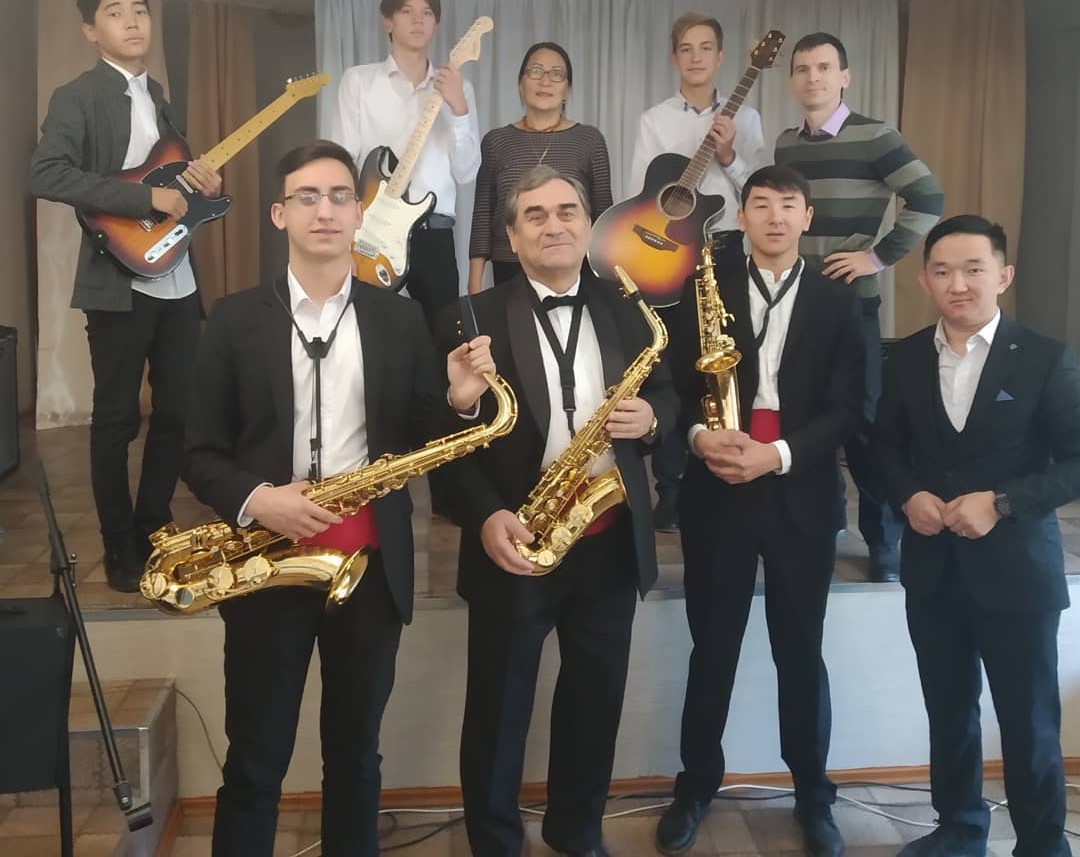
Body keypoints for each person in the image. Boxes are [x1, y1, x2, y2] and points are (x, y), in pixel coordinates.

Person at [182, 141, 494, 857]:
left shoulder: (399, 319)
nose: (324, 210)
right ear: (279, 214)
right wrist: (260, 499)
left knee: (356, 754)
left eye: (339, 196)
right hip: (266, 563)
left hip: (370, 570)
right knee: (255, 758)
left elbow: (425, 436)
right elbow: (198, 453)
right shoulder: (232, 319)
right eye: (307, 197)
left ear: (359, 213)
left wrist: (458, 398)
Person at [442, 165, 677, 857]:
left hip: (606, 537)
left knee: (594, 704)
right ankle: (495, 844)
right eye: (536, 215)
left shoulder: (628, 305)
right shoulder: (470, 315)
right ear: (512, 237)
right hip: (514, 537)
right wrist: (485, 516)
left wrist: (653, 420)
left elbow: (667, 393)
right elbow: (441, 436)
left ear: (588, 224)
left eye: (567, 211)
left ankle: (578, 834)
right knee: (498, 709)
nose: (554, 225)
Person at [656, 165, 864, 857]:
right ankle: (695, 786)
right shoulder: (701, 288)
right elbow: (671, 386)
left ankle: (813, 795)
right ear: (741, 216)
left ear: (808, 218)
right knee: (712, 647)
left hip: (800, 491)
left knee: (800, 650)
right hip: (717, 485)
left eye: (789, 205)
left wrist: (776, 456)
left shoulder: (841, 301)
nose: (776, 217)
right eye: (762, 204)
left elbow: (850, 409)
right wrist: (697, 437)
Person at [872, 215, 1079, 857]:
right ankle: (959, 829)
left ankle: (1042, 844)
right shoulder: (904, 357)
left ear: (1003, 276)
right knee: (949, 711)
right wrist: (907, 495)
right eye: (942, 271)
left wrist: (1004, 502)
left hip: (1018, 572)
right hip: (934, 568)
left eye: (973, 269)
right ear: (923, 280)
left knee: (1029, 720)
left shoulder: (1044, 356)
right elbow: (882, 449)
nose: (957, 284)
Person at [29, 0, 222, 592]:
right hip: (117, 281)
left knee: (179, 411)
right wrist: (145, 200)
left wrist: (202, 185)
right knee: (115, 419)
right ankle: (118, 544)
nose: (132, 21)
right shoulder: (77, 96)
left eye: (139, 10)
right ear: (91, 30)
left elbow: (170, 179)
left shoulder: (159, 95)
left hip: (177, 277)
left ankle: (153, 522)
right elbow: (46, 173)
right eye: (115, 13)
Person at [773, 31, 944, 582]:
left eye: (824, 67)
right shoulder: (786, 145)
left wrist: (877, 257)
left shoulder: (877, 136)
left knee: (865, 425)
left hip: (853, 306)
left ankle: (882, 540)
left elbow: (928, 197)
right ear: (792, 80)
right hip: (798, 305)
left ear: (844, 76)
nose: (813, 78)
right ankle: (814, 529)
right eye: (803, 69)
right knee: (805, 418)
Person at [629, 11, 770, 532]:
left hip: (725, 251)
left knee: (726, 358)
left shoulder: (746, 119)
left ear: (721, 56)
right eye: (686, 48)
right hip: (669, 253)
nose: (695, 57)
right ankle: (670, 488)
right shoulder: (654, 120)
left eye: (705, 47)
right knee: (670, 363)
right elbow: (641, 194)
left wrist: (730, 155)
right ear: (674, 58)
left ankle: (729, 461)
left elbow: (758, 192)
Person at [333, 0, 481, 327]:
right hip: (371, 230)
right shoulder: (358, 82)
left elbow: (466, 172)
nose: (418, 20)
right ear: (388, 21)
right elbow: (341, 162)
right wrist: (344, 239)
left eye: (427, 12)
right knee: (369, 330)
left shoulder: (459, 88)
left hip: (434, 231)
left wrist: (459, 108)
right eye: (406, 11)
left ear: (436, 24)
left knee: (444, 335)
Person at [468, 42, 612, 291]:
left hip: (573, 268)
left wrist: (608, 285)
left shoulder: (589, 140)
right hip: (510, 266)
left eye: (556, 74)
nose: (545, 81)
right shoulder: (496, 141)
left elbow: (604, 220)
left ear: (567, 89)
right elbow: (483, 215)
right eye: (535, 71)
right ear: (520, 84)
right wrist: (474, 284)